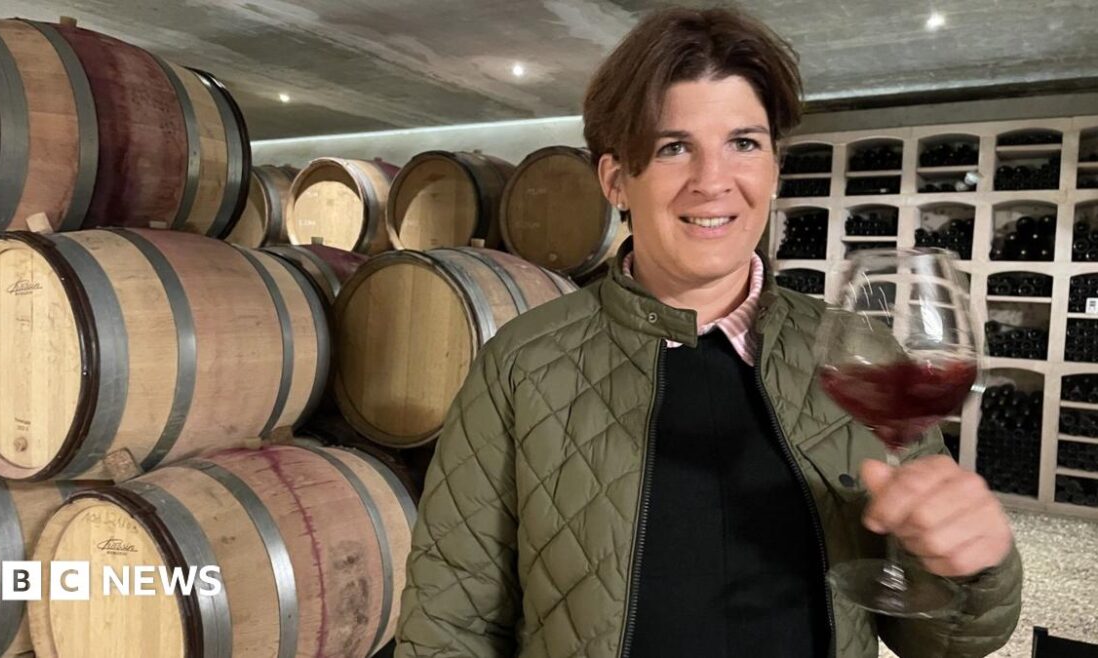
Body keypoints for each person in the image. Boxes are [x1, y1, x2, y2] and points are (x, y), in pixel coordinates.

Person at [393, 6, 1022, 658]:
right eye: (673, 147)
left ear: (775, 167)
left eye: (744, 143)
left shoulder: (853, 355)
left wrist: (974, 567)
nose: (713, 181)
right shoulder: (520, 366)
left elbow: (939, 639)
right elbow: (448, 629)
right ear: (616, 181)